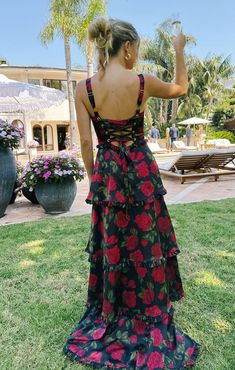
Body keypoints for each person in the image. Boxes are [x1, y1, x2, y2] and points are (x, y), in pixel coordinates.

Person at [63, 17, 200, 369]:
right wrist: (179, 50)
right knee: (145, 241)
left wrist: (97, 181)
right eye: (135, 49)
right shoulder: (142, 82)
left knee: (114, 243)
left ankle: (114, 308)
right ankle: (147, 310)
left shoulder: (84, 89)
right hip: (139, 171)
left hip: (108, 173)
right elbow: (181, 88)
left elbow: (84, 142)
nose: (136, 55)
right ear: (126, 48)